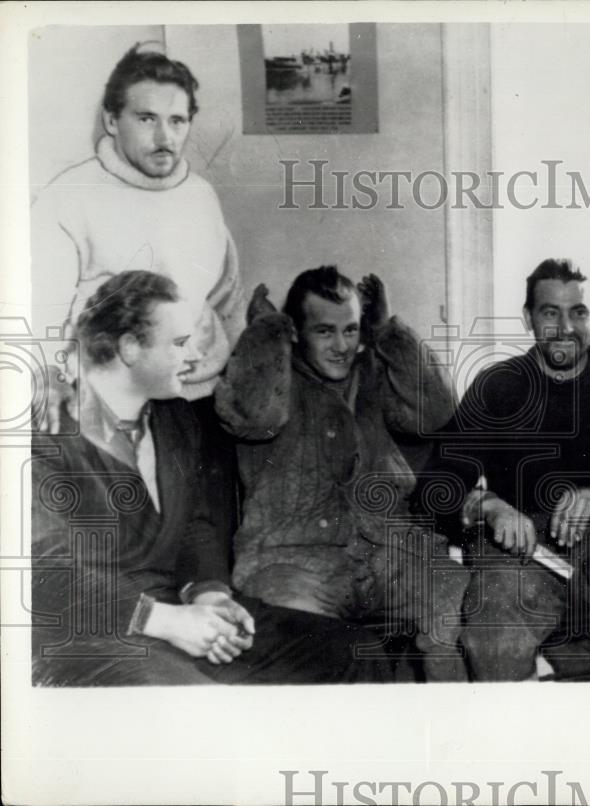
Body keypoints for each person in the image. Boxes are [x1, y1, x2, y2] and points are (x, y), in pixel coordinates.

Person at [32, 271, 386, 686]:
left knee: (351, 652)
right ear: (129, 348)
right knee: (197, 704)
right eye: (180, 343)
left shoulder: (175, 419)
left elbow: (195, 525)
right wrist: (160, 619)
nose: (196, 356)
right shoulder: (47, 432)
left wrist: (210, 594)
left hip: (179, 615)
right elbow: (45, 572)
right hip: (95, 635)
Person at [418, 259, 590, 681]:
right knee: (495, 629)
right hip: (523, 554)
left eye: (579, 312)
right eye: (550, 312)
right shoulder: (496, 386)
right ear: (528, 318)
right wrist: (489, 506)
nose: (565, 327)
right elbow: (434, 486)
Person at [214, 267, 469, 682]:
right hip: (294, 560)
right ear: (296, 331)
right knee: (308, 649)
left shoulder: (371, 373)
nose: (341, 346)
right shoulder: (273, 377)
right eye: (324, 332)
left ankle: (449, 737)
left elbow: (436, 412)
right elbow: (253, 416)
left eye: (350, 330)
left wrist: (386, 329)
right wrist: (267, 331)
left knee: (457, 603)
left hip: (389, 554)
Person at [31, 43, 245, 404]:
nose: (165, 138)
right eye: (146, 119)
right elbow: (38, 311)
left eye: (177, 121)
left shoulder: (200, 195)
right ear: (111, 121)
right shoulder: (67, 197)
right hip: (106, 400)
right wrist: (48, 382)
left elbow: (229, 298)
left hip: (197, 395)